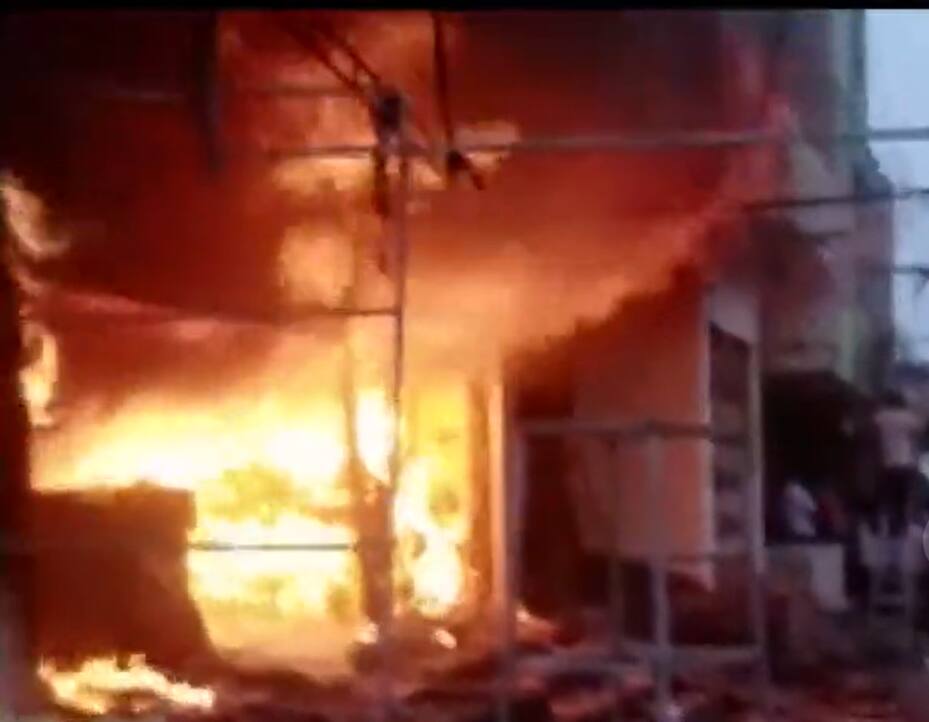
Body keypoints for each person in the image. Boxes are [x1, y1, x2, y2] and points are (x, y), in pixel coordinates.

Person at [871, 389, 925, 536]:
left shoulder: (880, 417)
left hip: (886, 463)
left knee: (889, 497)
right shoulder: (907, 418)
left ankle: (892, 525)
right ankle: (901, 525)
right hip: (905, 463)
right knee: (903, 496)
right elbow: (920, 428)